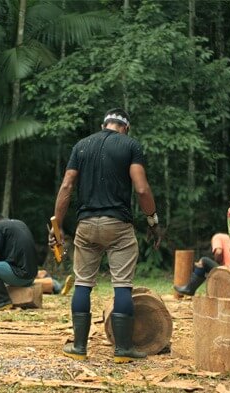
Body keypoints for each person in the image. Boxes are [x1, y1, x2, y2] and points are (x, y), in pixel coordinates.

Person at [50, 108, 163, 363]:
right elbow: (142, 189)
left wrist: (56, 228)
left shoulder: (81, 146)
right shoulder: (131, 146)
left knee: (82, 283)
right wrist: (153, 221)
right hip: (118, 226)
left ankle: (79, 347)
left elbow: (67, 186)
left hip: (86, 225)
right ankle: (122, 351)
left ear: (104, 125)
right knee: (121, 284)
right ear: (126, 128)